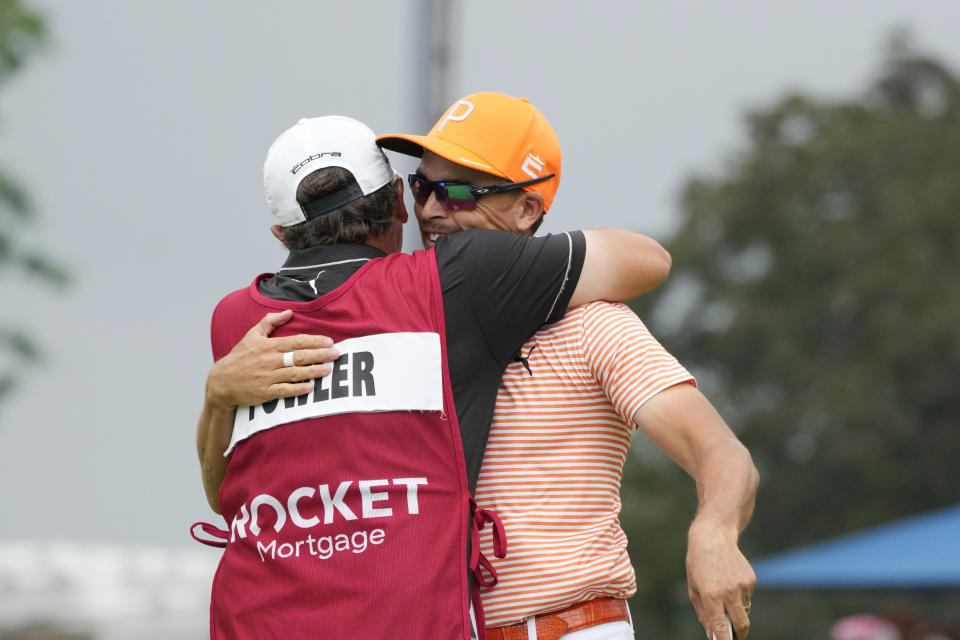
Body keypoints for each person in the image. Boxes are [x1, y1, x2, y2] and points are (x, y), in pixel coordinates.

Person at [203, 93, 759, 640]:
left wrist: (715, 531)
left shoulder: (595, 325)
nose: (429, 209)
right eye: (421, 187)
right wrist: (219, 394)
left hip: (569, 626)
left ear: (526, 209)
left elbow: (721, 451)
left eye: (459, 191)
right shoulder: (411, 316)